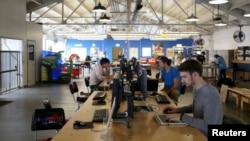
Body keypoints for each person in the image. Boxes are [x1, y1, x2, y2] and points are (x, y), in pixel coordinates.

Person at [163, 60, 223, 137]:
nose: (182, 81)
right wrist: (178, 110)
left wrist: (181, 117)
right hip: (198, 131)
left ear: (195, 75)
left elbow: (208, 126)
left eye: (184, 77)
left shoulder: (210, 94)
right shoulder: (196, 88)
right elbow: (196, 106)